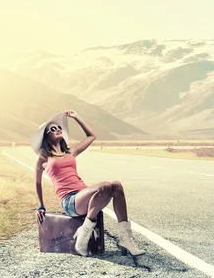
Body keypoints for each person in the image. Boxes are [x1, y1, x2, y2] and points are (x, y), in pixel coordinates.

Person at [31, 110, 145, 257]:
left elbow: (91, 136)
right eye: (53, 129)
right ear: (47, 135)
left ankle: (125, 239)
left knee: (116, 186)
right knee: (104, 186)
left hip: (86, 196)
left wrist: (76, 117)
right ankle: (83, 236)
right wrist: (41, 205)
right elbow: (37, 182)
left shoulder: (70, 152)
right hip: (70, 201)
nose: (58, 129)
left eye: (59, 127)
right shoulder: (43, 158)